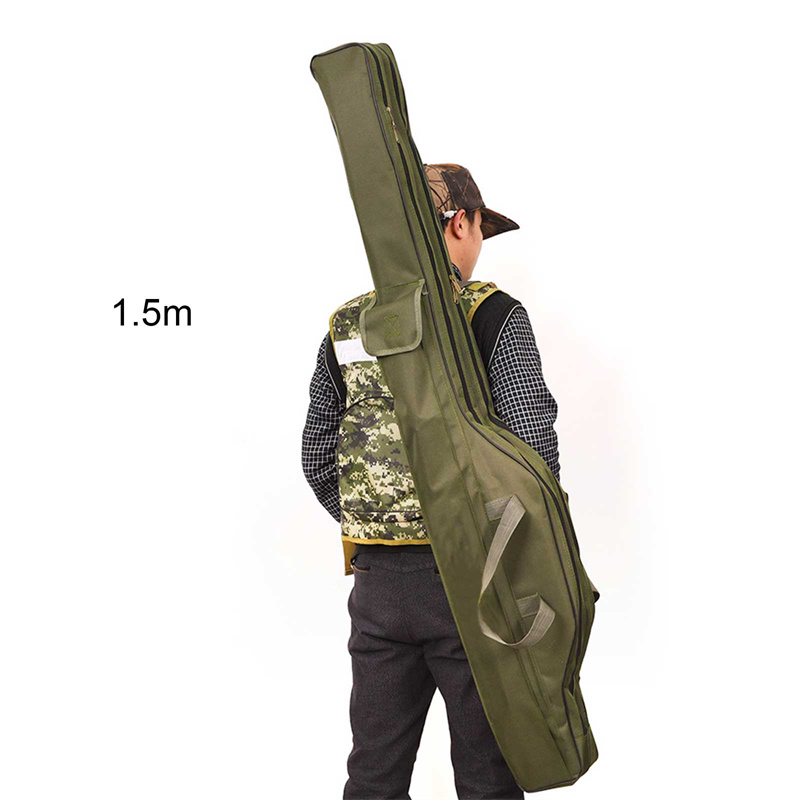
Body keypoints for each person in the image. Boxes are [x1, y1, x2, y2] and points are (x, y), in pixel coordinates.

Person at [301, 163, 561, 800]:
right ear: (460, 223)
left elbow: (316, 455)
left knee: (374, 777)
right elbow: (533, 453)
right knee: (488, 778)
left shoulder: (347, 325)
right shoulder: (493, 314)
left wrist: (381, 528)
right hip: (474, 582)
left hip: (377, 586)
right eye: (479, 230)